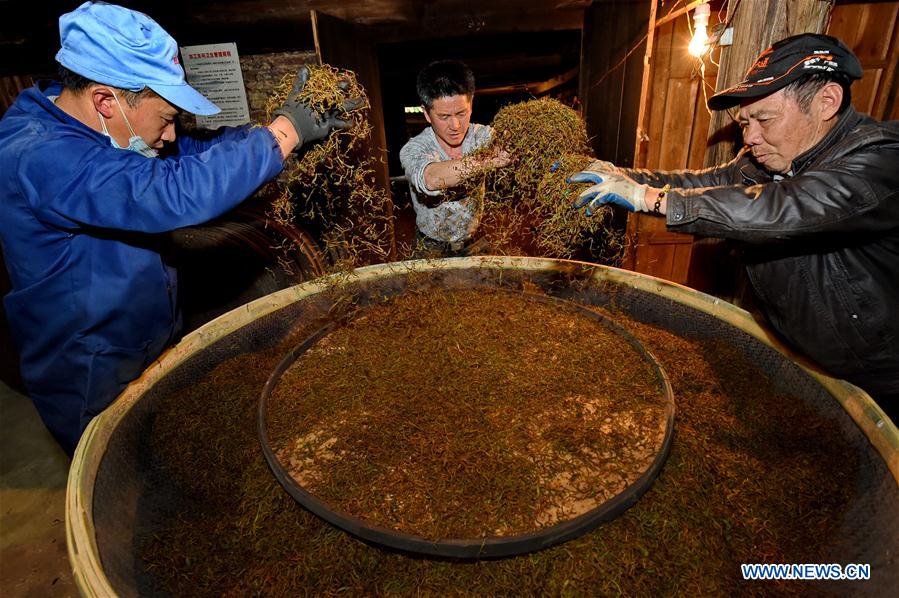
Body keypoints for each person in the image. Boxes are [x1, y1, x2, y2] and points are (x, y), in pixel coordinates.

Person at [0, 1, 358, 455]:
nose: (170, 135)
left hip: (149, 342)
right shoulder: (38, 156)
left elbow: (191, 153)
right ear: (106, 101)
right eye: (167, 119)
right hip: (91, 371)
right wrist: (286, 132)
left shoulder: (108, 131)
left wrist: (272, 136)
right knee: (131, 481)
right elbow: (172, 191)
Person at [570, 33, 899, 421]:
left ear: (827, 101)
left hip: (877, 380)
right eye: (745, 122)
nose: (750, 137)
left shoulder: (880, 159)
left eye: (764, 119)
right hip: (793, 355)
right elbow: (697, 185)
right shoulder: (768, 159)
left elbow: (787, 208)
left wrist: (647, 199)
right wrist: (619, 176)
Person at [399, 60, 510, 256]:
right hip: (430, 248)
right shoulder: (414, 148)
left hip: (474, 243)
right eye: (444, 117)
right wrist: (488, 160)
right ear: (426, 113)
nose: (455, 125)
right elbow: (431, 179)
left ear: (471, 103)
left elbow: (516, 145)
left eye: (461, 113)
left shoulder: (482, 137)